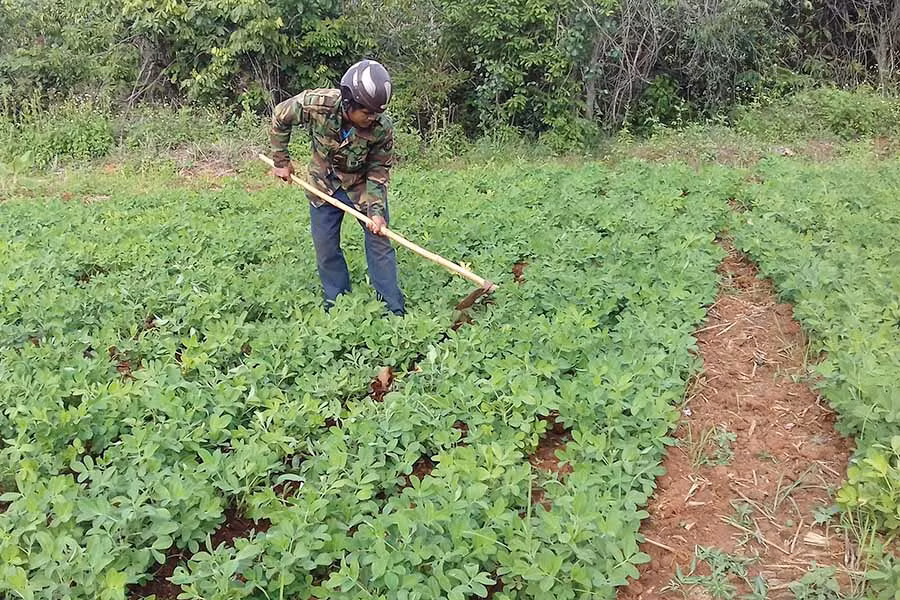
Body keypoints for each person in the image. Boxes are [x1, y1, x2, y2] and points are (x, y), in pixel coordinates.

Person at [269, 59, 405, 316]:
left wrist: (376, 211)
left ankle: (392, 309)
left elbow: (378, 170)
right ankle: (337, 303)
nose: (372, 118)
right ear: (349, 102)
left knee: (380, 242)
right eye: (367, 112)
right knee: (326, 246)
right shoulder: (317, 104)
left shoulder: (381, 128)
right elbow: (280, 115)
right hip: (324, 183)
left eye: (376, 113)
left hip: (360, 185)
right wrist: (281, 161)